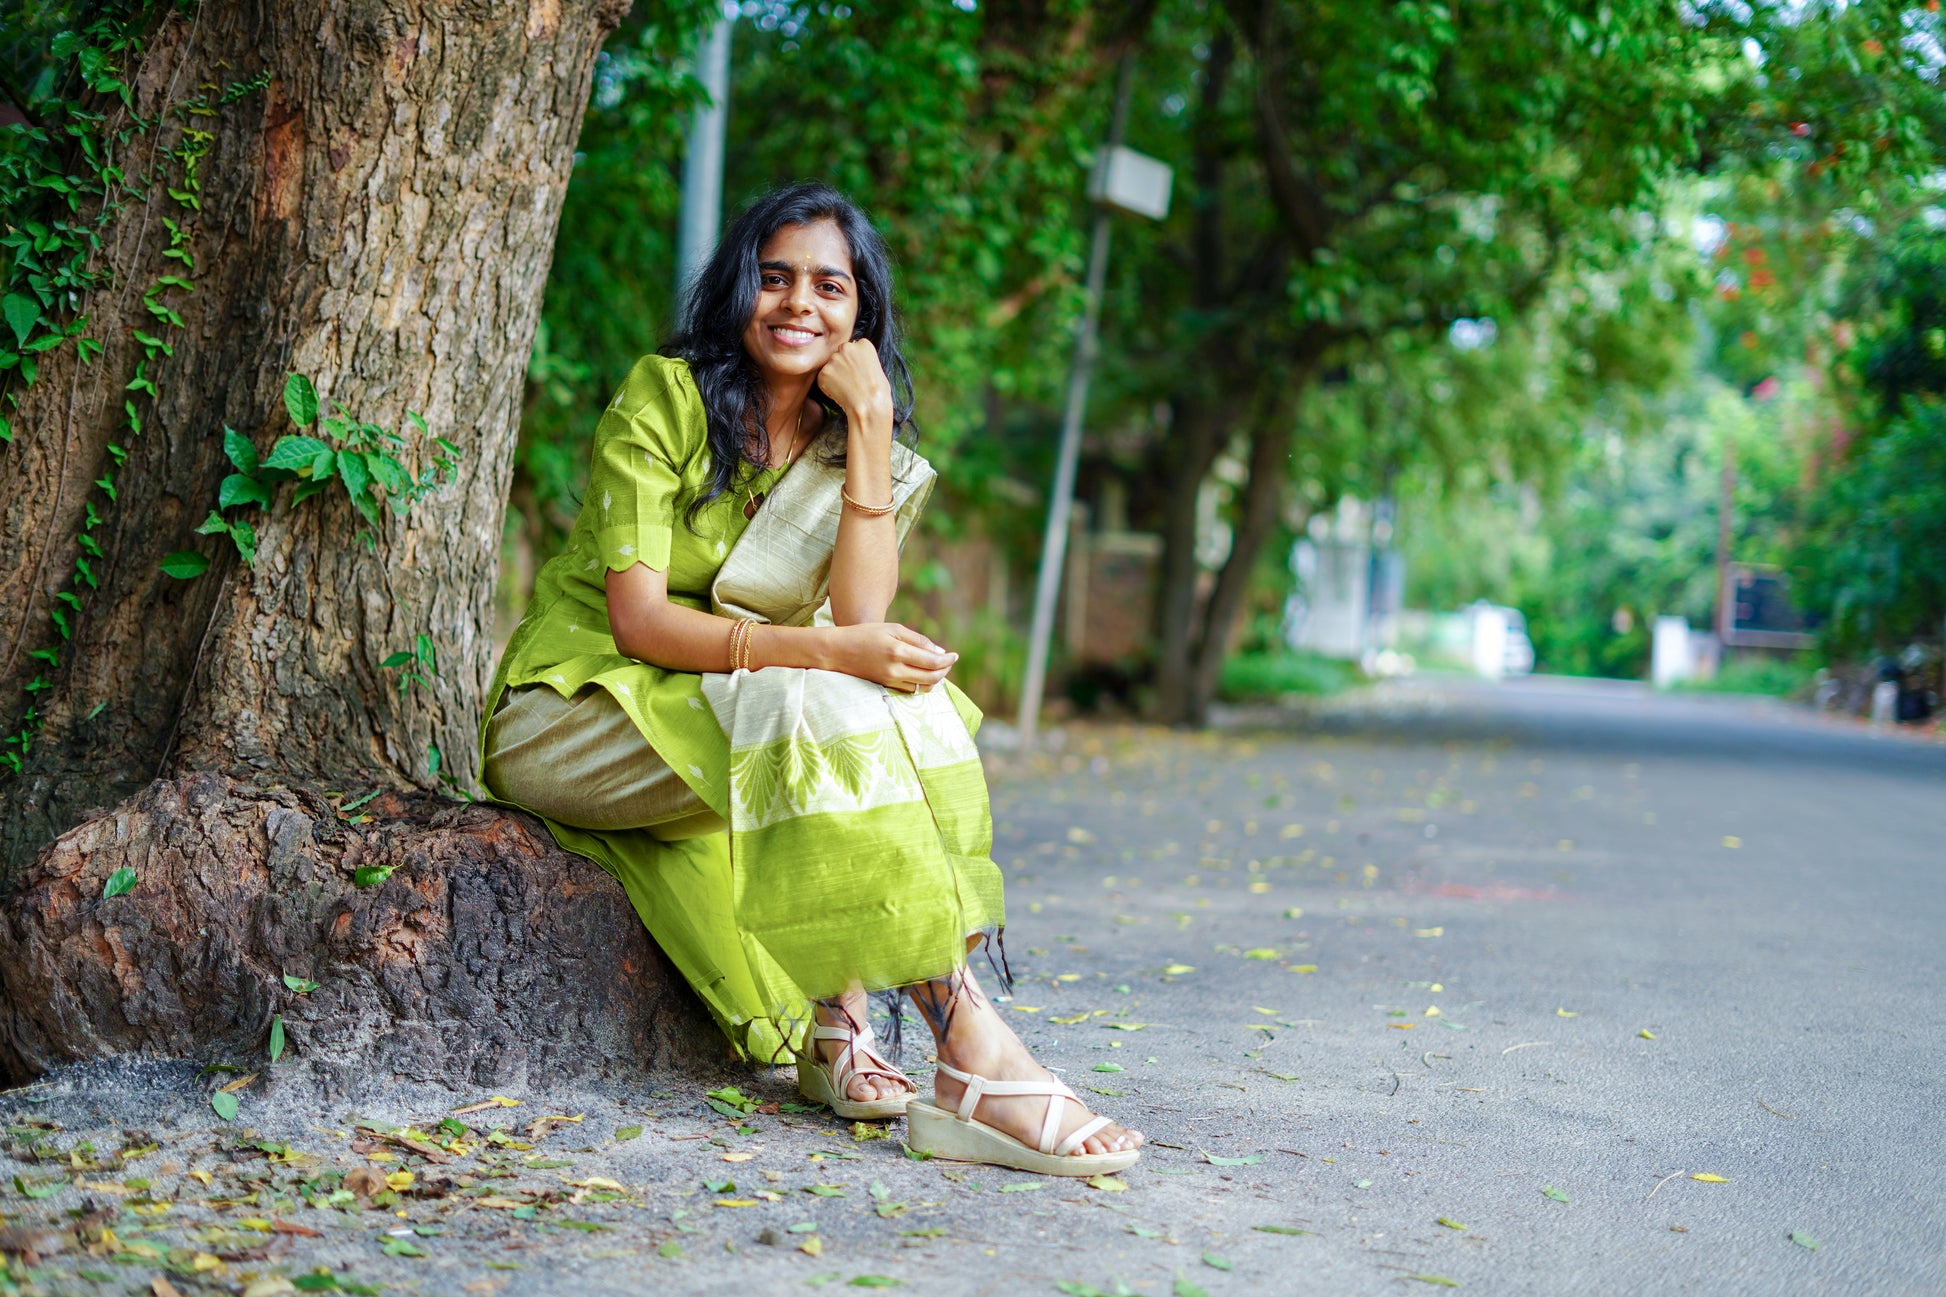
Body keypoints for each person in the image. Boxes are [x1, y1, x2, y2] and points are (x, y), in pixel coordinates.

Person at [480, 182, 1142, 1174]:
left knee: (907, 699)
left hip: (719, 713)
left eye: (830, 286)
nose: (798, 302)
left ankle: (842, 1027)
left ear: (860, 315)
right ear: (737, 288)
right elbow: (641, 621)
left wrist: (869, 424)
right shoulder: (667, 396)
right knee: (828, 689)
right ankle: (974, 1053)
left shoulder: (845, 438)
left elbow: (860, 617)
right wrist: (827, 653)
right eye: (775, 277)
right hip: (576, 713)